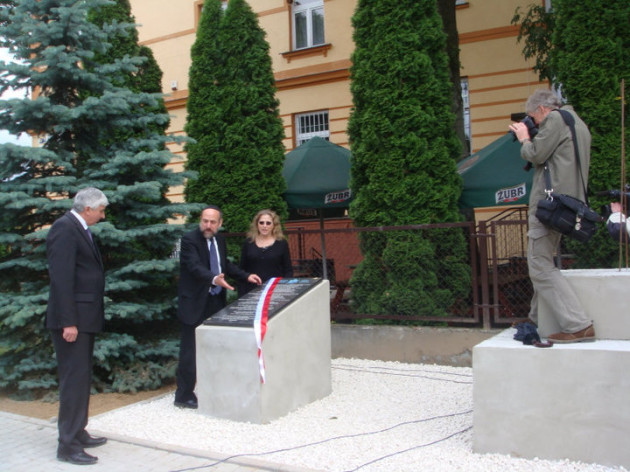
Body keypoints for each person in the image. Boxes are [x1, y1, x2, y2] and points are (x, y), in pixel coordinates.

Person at [508, 89, 595, 343]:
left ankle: (578, 324)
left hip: (549, 205)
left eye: (534, 119)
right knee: (542, 260)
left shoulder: (555, 119)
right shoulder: (576, 122)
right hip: (565, 204)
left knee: (538, 264)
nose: (534, 124)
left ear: (543, 110)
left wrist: (525, 138)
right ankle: (536, 319)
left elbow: (535, 154)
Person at [174, 205, 262, 409]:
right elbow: (194, 266)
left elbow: (225, 266)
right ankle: (183, 395)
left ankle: (213, 388)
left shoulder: (219, 240)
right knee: (190, 351)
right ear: (200, 220)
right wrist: (214, 278)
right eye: (205, 220)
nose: (208, 225)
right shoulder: (189, 240)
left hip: (215, 302)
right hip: (194, 303)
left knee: (216, 347)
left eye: (213, 222)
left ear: (220, 224)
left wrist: (245, 276)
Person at [46, 187, 109, 465]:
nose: (102, 215)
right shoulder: (64, 228)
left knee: (82, 378)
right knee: (73, 382)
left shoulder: (80, 228)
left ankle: (78, 431)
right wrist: (67, 321)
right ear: (87, 209)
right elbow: (61, 278)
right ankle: (67, 445)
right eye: (101, 210)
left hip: (86, 318)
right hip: (73, 321)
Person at [238, 209, 293, 297]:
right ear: (257, 224)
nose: (264, 226)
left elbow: (288, 270)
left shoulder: (282, 243)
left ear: (274, 225)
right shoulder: (248, 243)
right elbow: (242, 269)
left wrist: (284, 289)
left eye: (268, 223)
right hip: (251, 291)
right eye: (261, 222)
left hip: (275, 292)